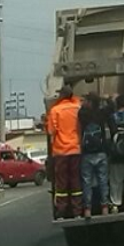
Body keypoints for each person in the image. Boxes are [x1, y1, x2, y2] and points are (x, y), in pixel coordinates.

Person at [47, 86, 83, 219]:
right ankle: (78, 211)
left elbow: (51, 131)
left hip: (61, 151)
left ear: (62, 95)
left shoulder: (55, 110)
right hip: (75, 148)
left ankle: (62, 211)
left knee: (62, 182)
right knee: (76, 180)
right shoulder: (77, 107)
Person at [78, 93, 112, 218]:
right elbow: (112, 106)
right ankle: (105, 208)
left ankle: (87, 209)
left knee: (87, 182)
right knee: (103, 180)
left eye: (86, 100)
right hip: (101, 152)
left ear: (90, 102)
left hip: (87, 154)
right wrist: (106, 98)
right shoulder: (101, 114)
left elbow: (80, 109)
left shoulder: (83, 115)